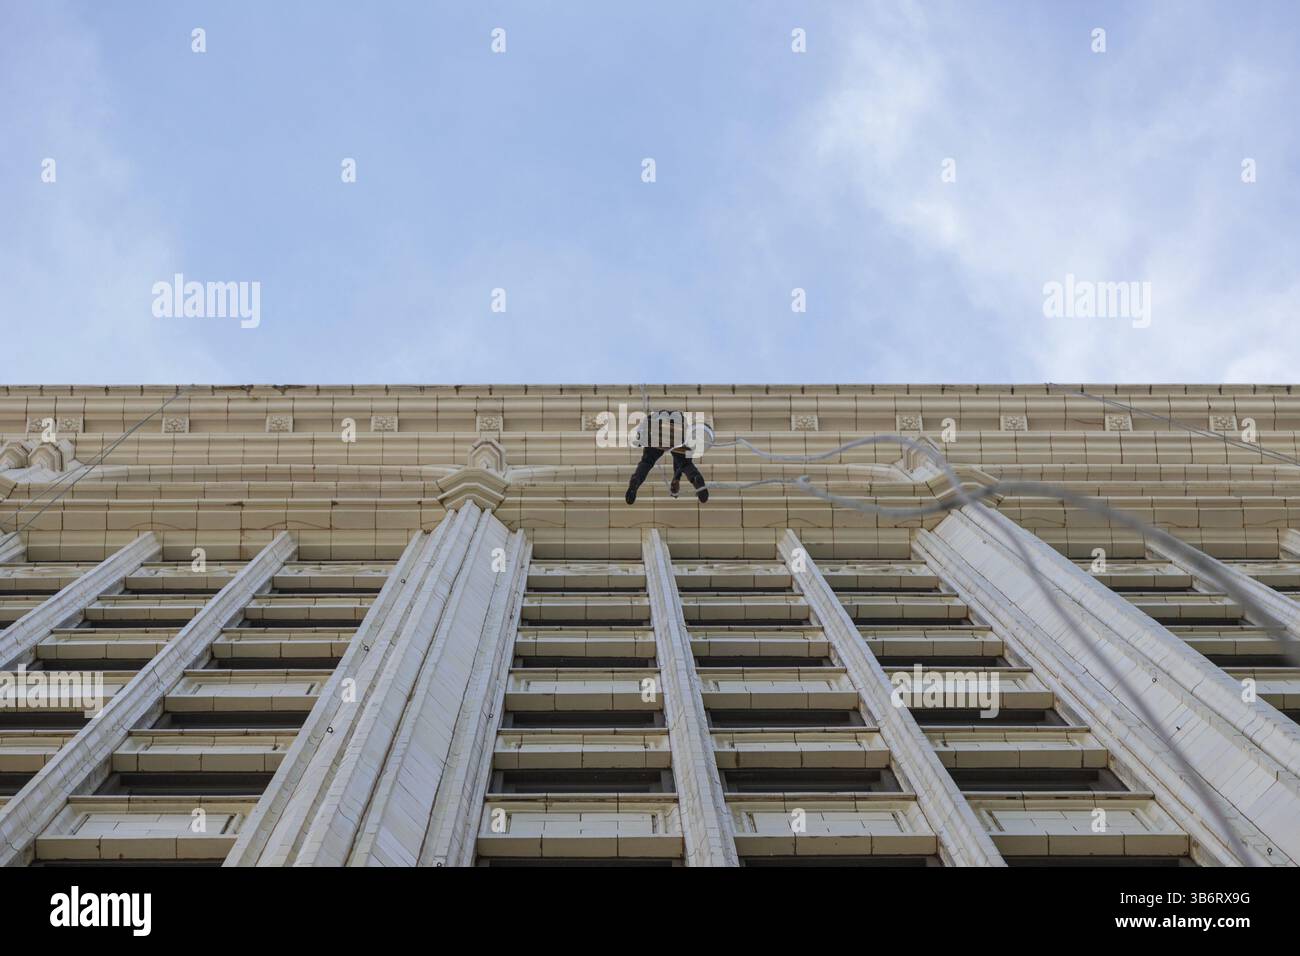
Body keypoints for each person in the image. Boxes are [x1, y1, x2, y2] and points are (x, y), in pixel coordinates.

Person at [625, 444, 708, 504]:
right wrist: (676, 478)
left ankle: (636, 480)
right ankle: (695, 477)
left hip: (656, 434)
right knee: (685, 464)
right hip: (679, 435)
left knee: (647, 462)